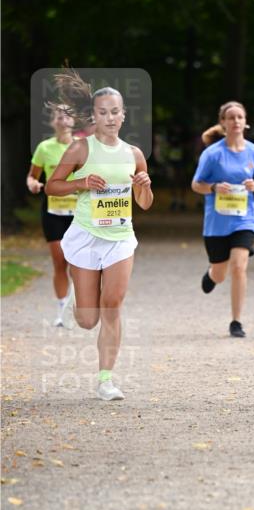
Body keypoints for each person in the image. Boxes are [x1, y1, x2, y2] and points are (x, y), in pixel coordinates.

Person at [44, 70, 153, 400]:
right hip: (87, 235)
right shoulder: (80, 149)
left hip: (120, 237)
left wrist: (144, 188)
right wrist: (80, 183)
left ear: (123, 115)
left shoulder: (134, 154)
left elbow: (145, 204)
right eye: (102, 112)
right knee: (88, 319)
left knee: (113, 305)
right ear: (94, 115)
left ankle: (106, 379)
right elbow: (52, 185)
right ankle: (80, 296)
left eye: (114, 111)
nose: (109, 117)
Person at [191, 100, 254, 338]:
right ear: (223, 123)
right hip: (216, 222)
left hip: (245, 218)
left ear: (245, 122)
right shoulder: (212, 154)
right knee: (221, 272)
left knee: (239, 266)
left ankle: (236, 321)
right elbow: (196, 185)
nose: (236, 121)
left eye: (240, 117)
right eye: (231, 117)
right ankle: (212, 275)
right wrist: (214, 187)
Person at [27, 104, 76, 326]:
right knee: (60, 261)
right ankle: (61, 309)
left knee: (79, 263)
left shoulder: (82, 147)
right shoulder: (44, 148)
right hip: (53, 210)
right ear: (53, 121)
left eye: (67, 115)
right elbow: (32, 176)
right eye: (58, 115)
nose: (63, 119)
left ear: (73, 121)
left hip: (79, 212)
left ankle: (78, 307)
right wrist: (34, 185)